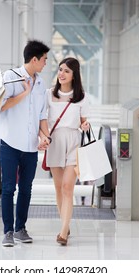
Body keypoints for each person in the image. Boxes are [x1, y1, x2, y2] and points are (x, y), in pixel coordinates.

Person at [0, 39, 51, 247]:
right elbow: (1, 106)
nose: (45, 63)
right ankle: (8, 231)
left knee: (26, 187)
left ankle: (20, 228)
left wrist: (45, 136)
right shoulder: (10, 77)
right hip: (10, 142)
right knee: (8, 188)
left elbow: (42, 115)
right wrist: (24, 93)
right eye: (44, 59)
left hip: (30, 145)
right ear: (34, 59)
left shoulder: (42, 83)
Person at [44, 57, 90, 246]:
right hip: (55, 142)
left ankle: (63, 232)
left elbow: (83, 121)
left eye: (67, 71)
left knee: (67, 187)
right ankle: (65, 222)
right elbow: (42, 120)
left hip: (73, 142)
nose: (61, 74)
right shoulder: (48, 94)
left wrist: (85, 124)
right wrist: (43, 137)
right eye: (60, 69)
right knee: (57, 187)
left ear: (74, 75)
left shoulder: (82, 97)